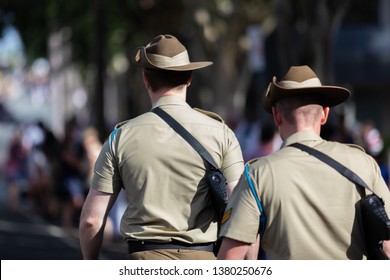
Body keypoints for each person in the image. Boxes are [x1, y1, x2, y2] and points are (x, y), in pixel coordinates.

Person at [79, 34, 244, 260]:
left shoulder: (120, 137)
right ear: (189, 78)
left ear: (146, 80)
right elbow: (242, 212)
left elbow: (91, 221)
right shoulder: (221, 134)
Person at [217, 65, 390, 260]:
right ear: (324, 114)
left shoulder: (257, 174)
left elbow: (228, 262)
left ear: (277, 116)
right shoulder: (364, 164)